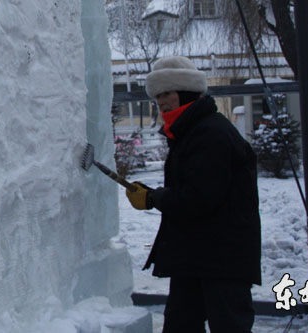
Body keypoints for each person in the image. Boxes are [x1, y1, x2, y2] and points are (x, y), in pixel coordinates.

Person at [125, 56, 261, 333]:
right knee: (180, 325)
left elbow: (199, 198)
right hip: (198, 255)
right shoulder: (192, 131)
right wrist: (155, 196)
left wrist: (153, 198)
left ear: (186, 93)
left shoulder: (210, 134)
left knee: (228, 326)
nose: (161, 101)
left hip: (222, 258)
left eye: (167, 93)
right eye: (157, 95)